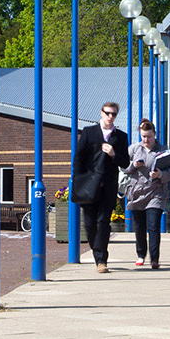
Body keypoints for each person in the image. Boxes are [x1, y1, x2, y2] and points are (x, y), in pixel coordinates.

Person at [72, 102, 131, 273]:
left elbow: (125, 162)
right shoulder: (89, 132)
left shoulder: (121, 136)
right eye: (108, 113)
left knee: (104, 222)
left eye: (114, 114)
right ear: (101, 113)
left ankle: (101, 259)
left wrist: (113, 154)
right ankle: (97, 253)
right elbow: (79, 158)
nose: (111, 117)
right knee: (90, 224)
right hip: (89, 187)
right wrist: (79, 179)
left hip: (108, 187)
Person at [122, 119, 170, 269]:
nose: (146, 140)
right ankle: (140, 254)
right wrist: (133, 165)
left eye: (149, 136)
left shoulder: (163, 150)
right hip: (137, 193)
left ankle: (154, 258)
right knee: (139, 226)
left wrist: (160, 174)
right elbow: (123, 167)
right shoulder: (133, 149)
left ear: (155, 135)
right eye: (143, 136)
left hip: (156, 193)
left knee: (153, 226)